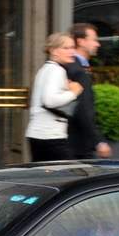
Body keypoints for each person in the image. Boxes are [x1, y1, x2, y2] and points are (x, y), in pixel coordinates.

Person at [26, 33, 82, 162]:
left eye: (72, 47)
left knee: (44, 176)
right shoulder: (57, 70)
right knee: (68, 175)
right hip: (51, 135)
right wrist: (73, 92)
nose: (72, 52)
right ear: (53, 50)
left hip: (38, 134)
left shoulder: (45, 69)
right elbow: (50, 101)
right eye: (66, 48)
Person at [64, 23, 111, 160]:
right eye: (94, 40)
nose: (98, 45)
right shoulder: (77, 70)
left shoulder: (78, 67)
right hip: (77, 143)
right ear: (81, 41)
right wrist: (99, 141)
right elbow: (83, 108)